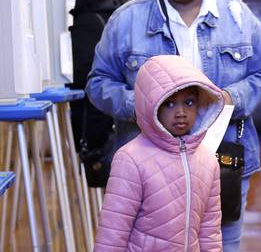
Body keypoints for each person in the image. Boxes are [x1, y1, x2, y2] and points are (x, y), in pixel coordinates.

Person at [87, 0, 261, 252]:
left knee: (222, 244)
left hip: (222, 160)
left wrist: (229, 99)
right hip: (148, 170)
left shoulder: (238, 17)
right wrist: (144, 106)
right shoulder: (127, 20)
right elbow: (98, 82)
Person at [95, 55, 224, 251]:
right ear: (151, 105)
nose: (181, 112)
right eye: (169, 104)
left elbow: (210, 230)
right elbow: (113, 233)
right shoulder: (130, 159)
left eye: (189, 102)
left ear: (201, 103)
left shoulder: (207, 160)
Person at [63, 0, 119, 187]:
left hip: (96, 116)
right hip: (116, 114)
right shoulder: (110, 14)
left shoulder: (83, 25)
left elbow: (83, 75)